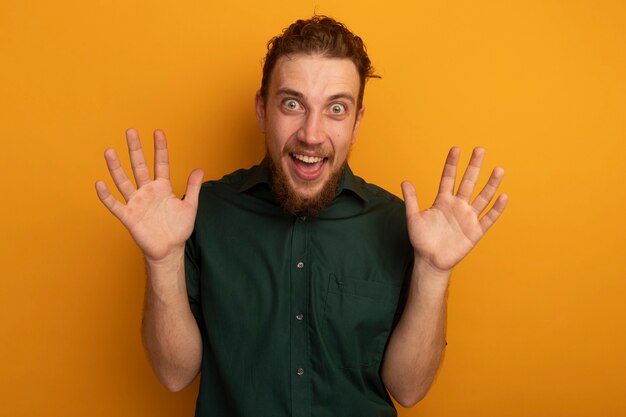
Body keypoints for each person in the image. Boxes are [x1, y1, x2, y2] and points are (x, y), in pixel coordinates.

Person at [95, 15, 507, 417]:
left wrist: (434, 271)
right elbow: (173, 375)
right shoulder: (201, 214)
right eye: (292, 104)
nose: (311, 133)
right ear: (262, 110)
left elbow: (409, 389)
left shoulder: (400, 225)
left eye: (336, 109)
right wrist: (163, 260)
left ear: (357, 122)